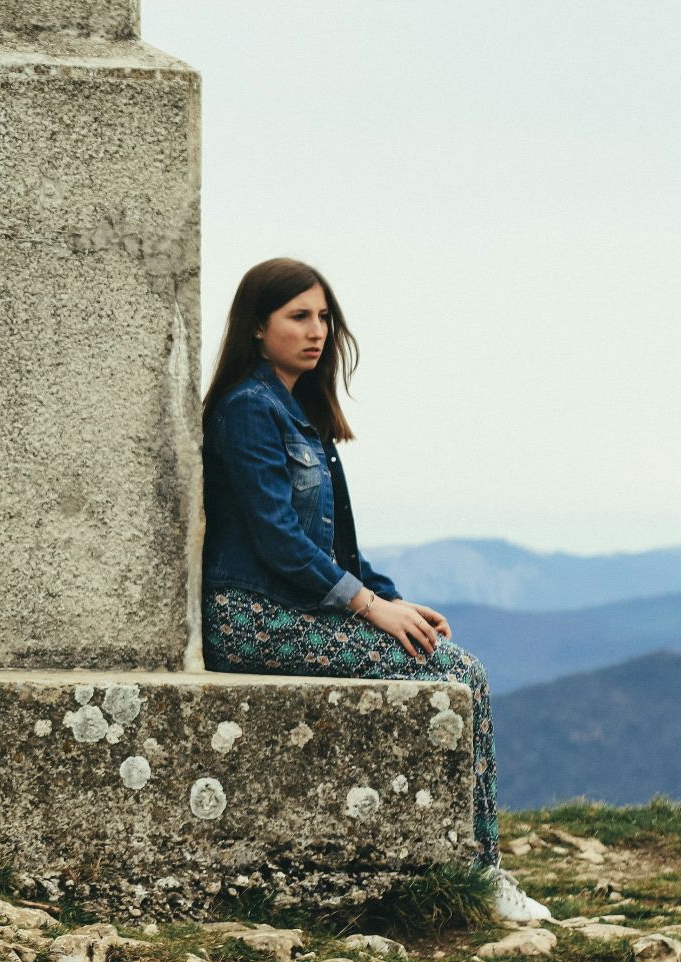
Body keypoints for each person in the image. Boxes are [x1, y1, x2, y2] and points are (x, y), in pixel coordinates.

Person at [200, 257, 550, 922]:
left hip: (292, 607)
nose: (318, 331)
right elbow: (277, 539)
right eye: (299, 316)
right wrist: (370, 608)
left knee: (461, 669)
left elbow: (340, 550)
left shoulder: (298, 411)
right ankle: (480, 875)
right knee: (456, 671)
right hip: (250, 616)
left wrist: (392, 597)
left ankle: (478, 869)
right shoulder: (248, 409)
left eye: (324, 317)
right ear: (255, 326)